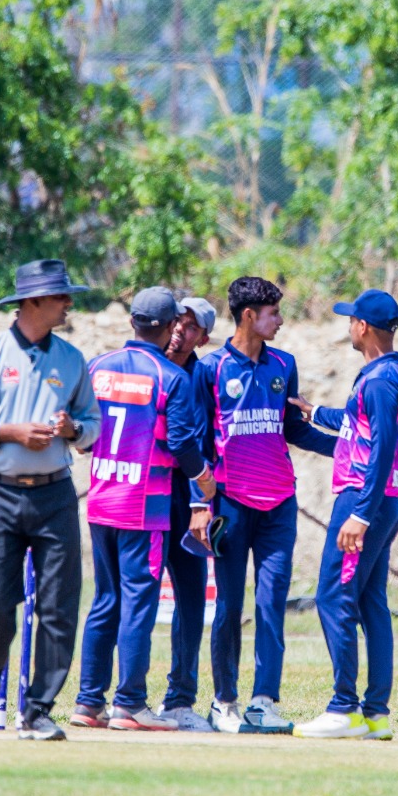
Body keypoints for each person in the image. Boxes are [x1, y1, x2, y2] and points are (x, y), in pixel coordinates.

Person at [0, 259, 101, 740]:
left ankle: (38, 709)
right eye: (60, 296)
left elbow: (94, 427)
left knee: (59, 607)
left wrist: (73, 430)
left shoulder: (72, 359)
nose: (68, 304)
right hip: (0, 494)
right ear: (32, 302)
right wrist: (10, 432)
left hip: (56, 495)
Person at [71, 289, 216, 731]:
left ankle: (88, 702)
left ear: (132, 321)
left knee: (105, 600)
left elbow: (83, 436)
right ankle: (130, 703)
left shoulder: (98, 366)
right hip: (145, 508)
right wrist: (203, 477)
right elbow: (182, 443)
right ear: (170, 326)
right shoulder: (169, 377)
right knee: (138, 603)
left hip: (101, 501)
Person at [200, 276, 337, 734]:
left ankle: (263, 702)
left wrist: (346, 448)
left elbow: (293, 429)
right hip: (230, 504)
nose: (280, 321)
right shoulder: (212, 368)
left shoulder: (284, 364)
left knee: (272, 603)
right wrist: (200, 502)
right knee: (228, 607)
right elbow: (198, 442)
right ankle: (224, 701)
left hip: (279, 503)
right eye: (273, 313)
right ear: (248, 316)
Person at [287, 290, 398, 740]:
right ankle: (376, 714)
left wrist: (360, 513)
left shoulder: (378, 381)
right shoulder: (388, 372)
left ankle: (344, 708)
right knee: (370, 601)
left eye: (350, 320)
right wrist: (314, 413)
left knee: (333, 597)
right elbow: (358, 426)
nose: (348, 327)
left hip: (363, 499)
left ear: (363, 327)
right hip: (383, 499)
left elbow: (380, 449)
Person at [158, 296, 220, 732]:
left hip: (188, 498)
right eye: (178, 321)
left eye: (192, 326)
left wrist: (201, 503)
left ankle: (179, 699)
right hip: (145, 495)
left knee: (192, 598)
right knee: (128, 597)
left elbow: (202, 443)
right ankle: (115, 697)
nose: (181, 329)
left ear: (203, 338)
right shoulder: (146, 365)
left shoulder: (201, 376)